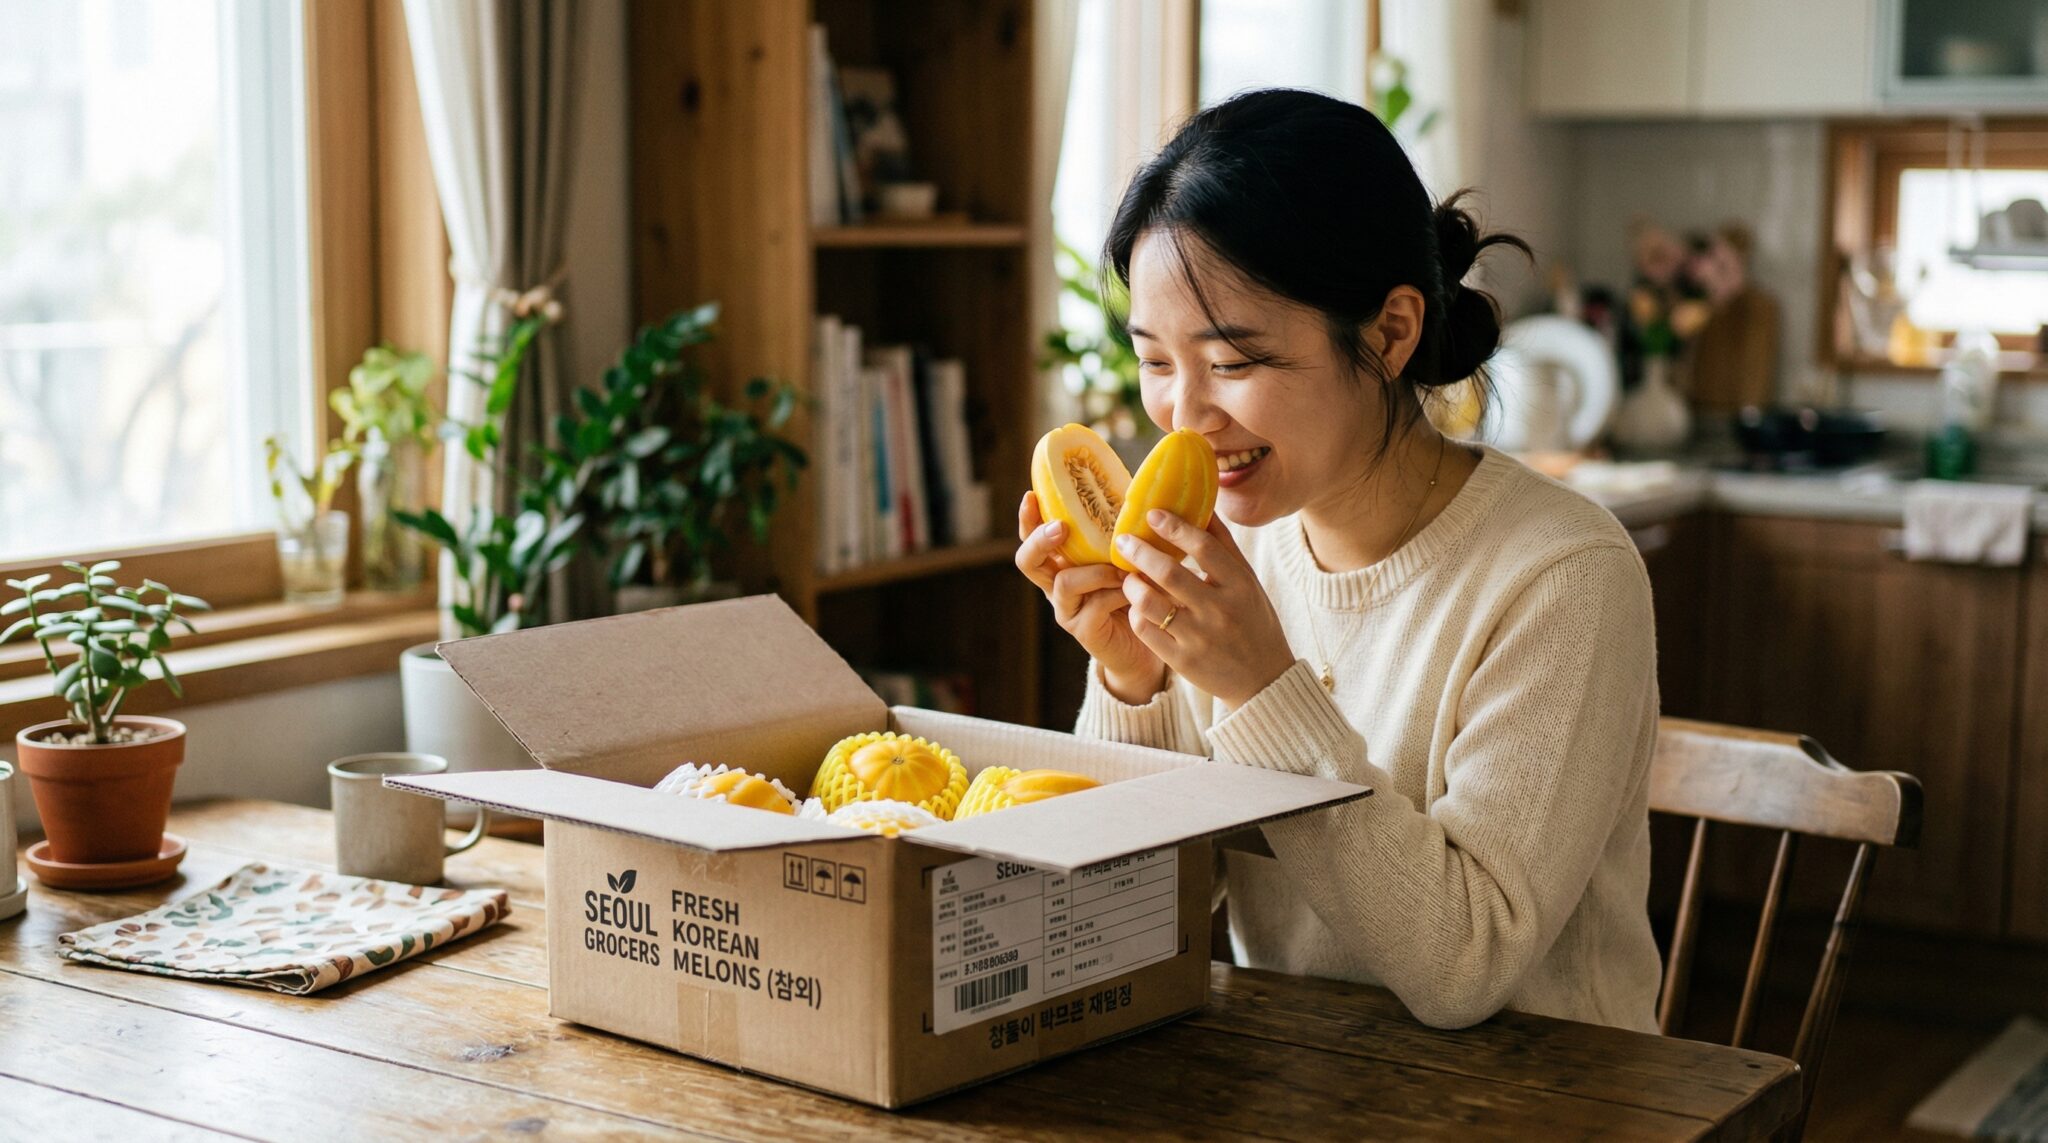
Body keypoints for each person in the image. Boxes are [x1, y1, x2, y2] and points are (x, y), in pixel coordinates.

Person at [1014, 89, 1662, 1032]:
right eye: (1156, 362)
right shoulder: (1235, 552)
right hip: (1301, 1092)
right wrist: (1133, 677)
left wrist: (1263, 686)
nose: (1184, 416)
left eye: (1233, 362)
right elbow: (1133, 924)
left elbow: (1463, 966)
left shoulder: (1563, 576)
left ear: (1391, 333)